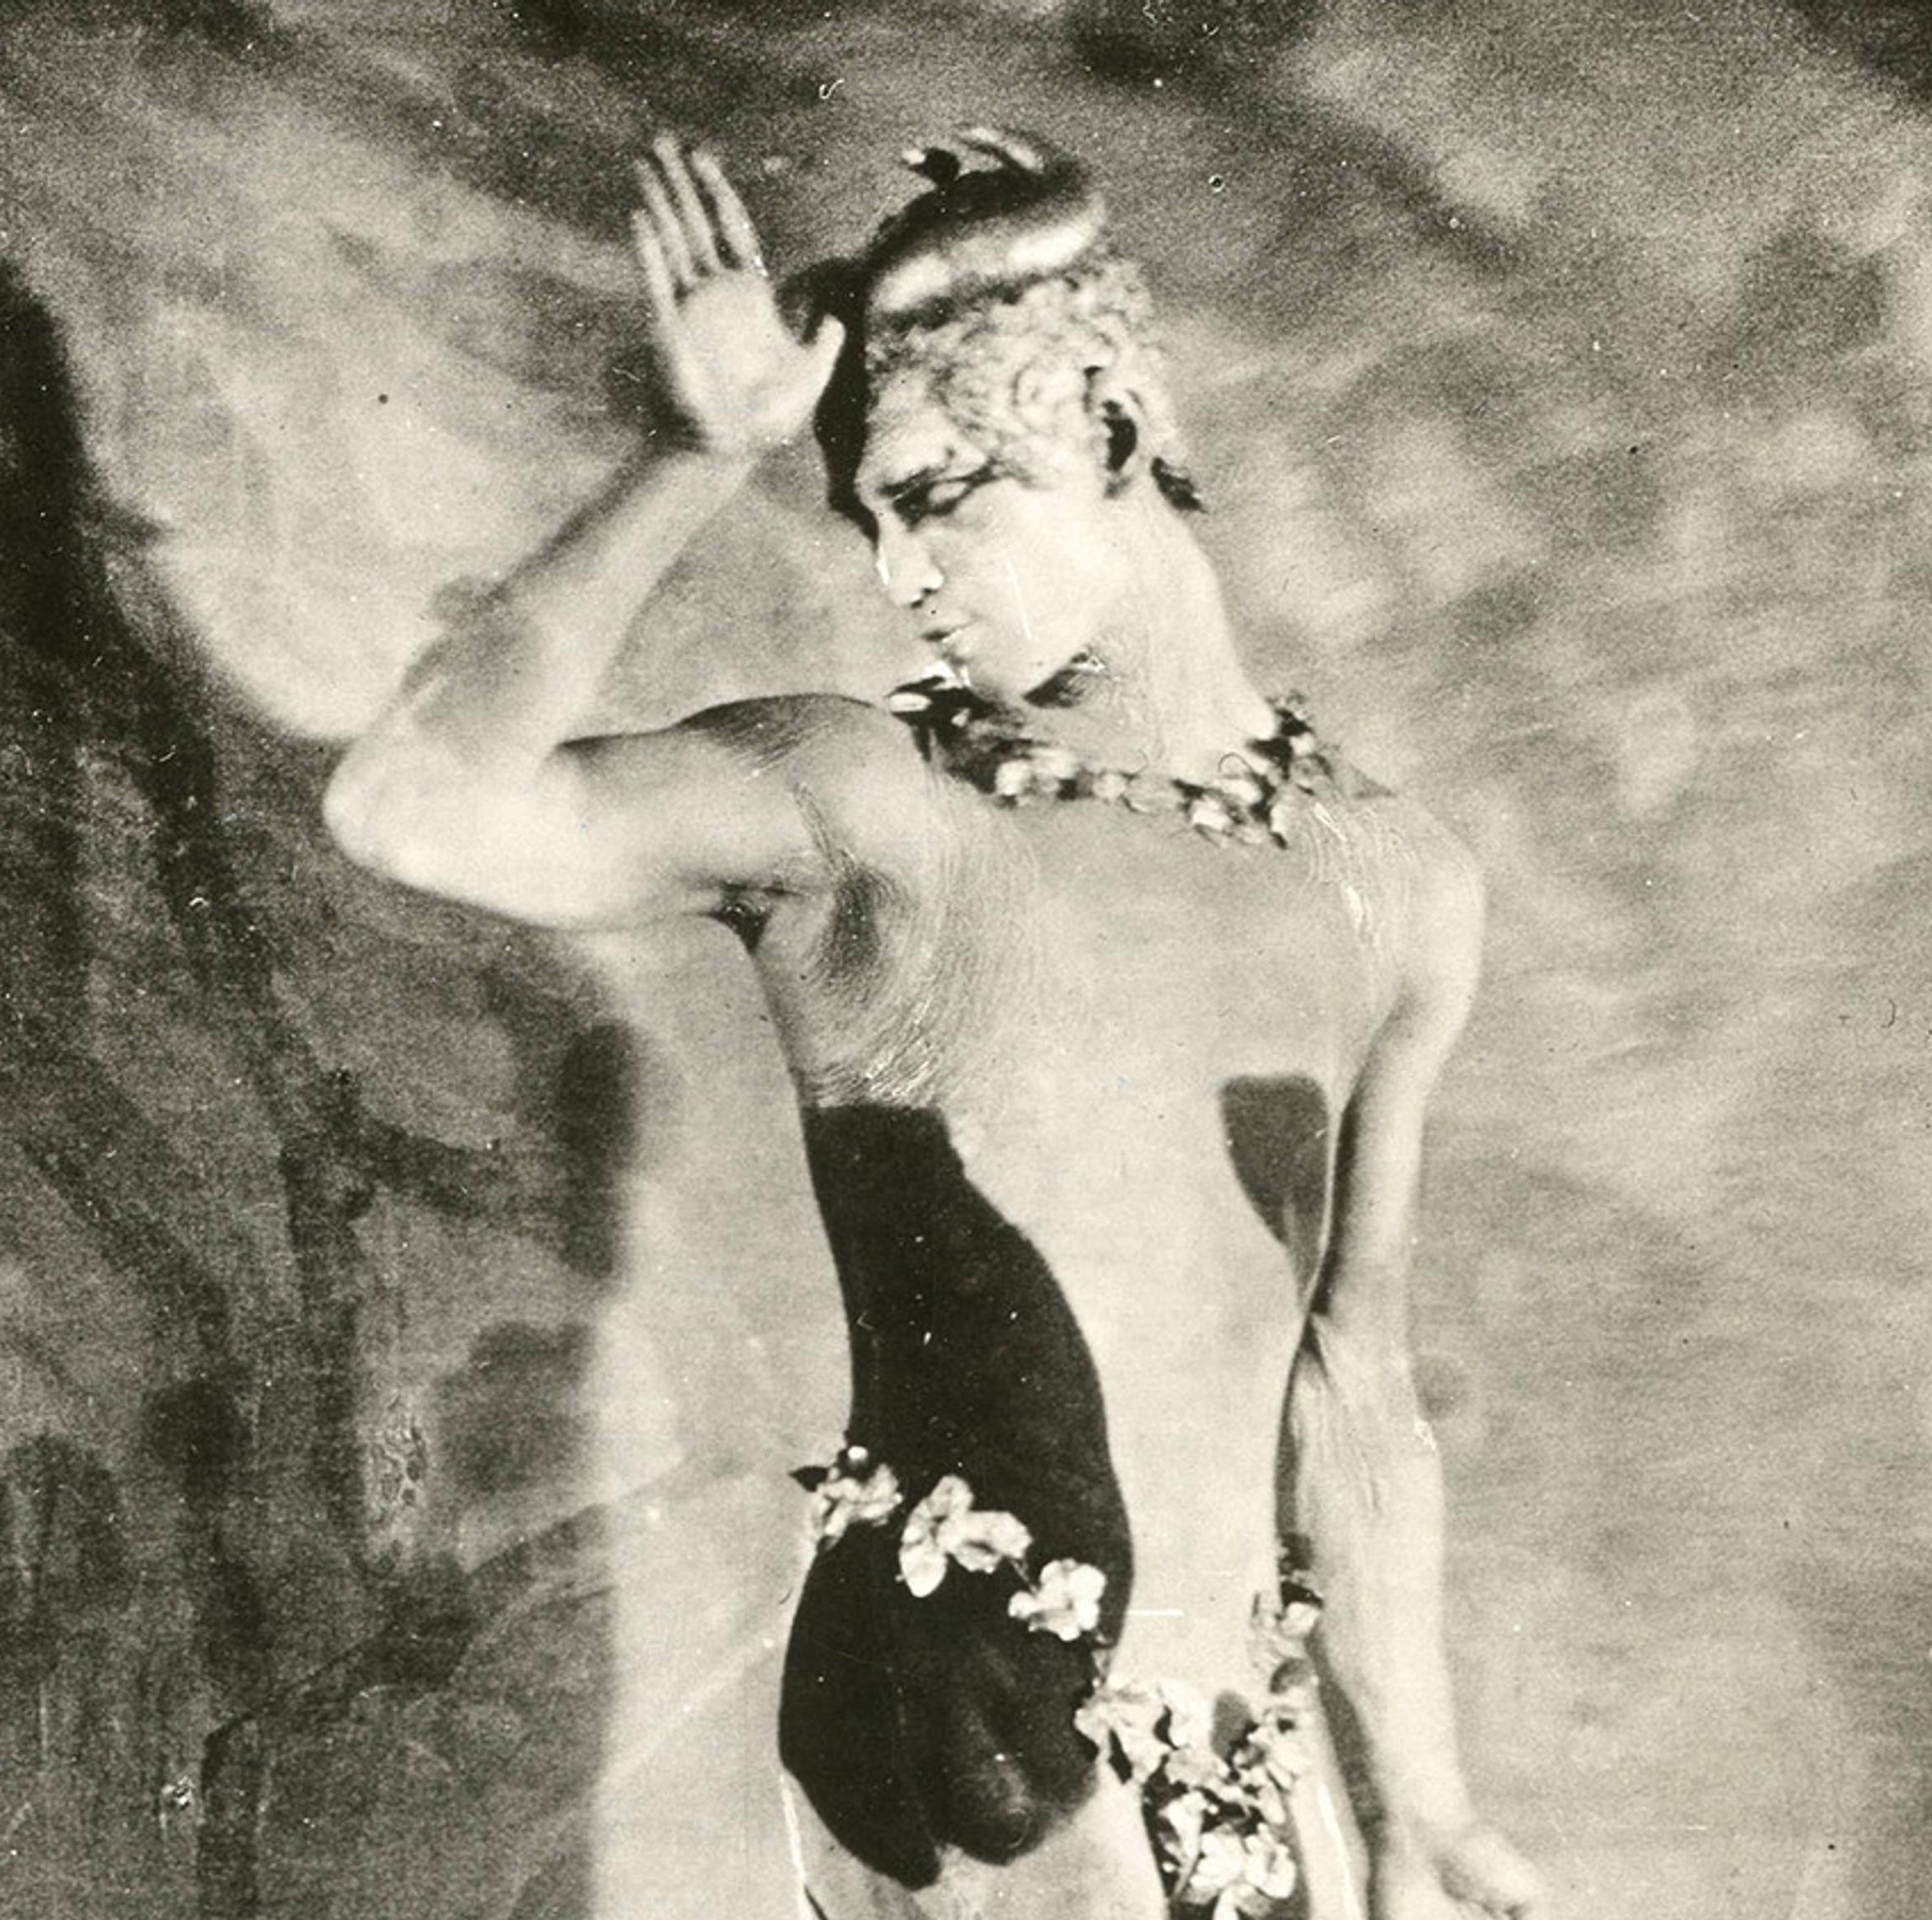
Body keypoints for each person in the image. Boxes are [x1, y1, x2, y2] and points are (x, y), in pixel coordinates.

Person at [323, 129, 1548, 1920]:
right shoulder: (872, 803)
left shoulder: (1396, 877)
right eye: (870, 515)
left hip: (1243, 1751)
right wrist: (694, 457)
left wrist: (1424, 1800)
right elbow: (406, 811)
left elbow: (1355, 1395)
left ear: (1115, 430)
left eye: (942, 491)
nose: (899, 569)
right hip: (968, 1732)